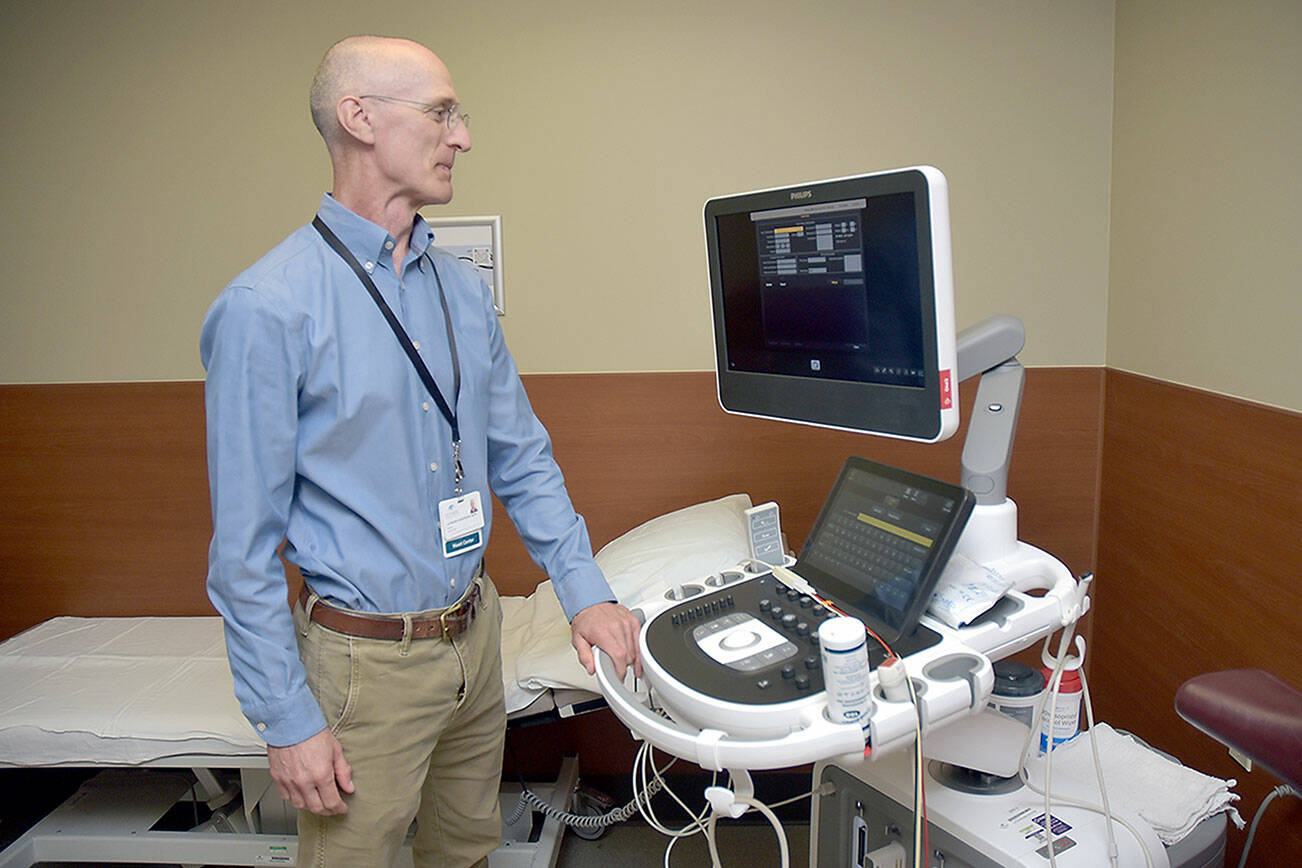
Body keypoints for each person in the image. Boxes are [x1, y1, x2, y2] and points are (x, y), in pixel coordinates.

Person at [200, 35, 641, 868]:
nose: (463, 136)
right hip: (366, 666)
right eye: (441, 112)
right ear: (358, 118)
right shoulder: (267, 308)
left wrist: (584, 592)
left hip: (474, 640)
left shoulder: (459, 290)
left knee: (467, 853)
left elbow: (521, 456)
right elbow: (242, 553)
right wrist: (286, 720)